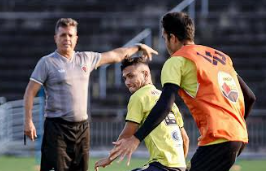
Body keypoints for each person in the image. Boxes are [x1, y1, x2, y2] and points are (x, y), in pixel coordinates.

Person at [109, 12, 256, 171]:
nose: (166, 43)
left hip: (218, 138)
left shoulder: (176, 61)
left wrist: (136, 139)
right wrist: (236, 127)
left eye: (165, 38)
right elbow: (249, 97)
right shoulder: (221, 57)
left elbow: (165, 105)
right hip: (238, 136)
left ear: (172, 37)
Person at [23, 18, 158, 171]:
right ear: (56, 38)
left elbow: (116, 55)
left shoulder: (86, 58)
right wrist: (28, 121)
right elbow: (30, 91)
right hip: (57, 128)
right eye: (62, 35)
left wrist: (138, 46)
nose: (66, 39)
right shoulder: (46, 63)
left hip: (82, 128)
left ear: (76, 38)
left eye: (70, 35)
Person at [94, 57, 189, 171]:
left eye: (131, 76)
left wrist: (108, 159)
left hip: (162, 165)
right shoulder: (168, 100)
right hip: (180, 166)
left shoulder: (139, 96)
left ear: (145, 74)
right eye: (125, 78)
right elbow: (185, 140)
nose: (127, 82)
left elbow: (127, 134)